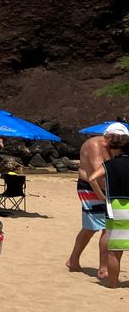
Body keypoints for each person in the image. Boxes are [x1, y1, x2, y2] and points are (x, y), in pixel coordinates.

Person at [69, 122, 129, 280]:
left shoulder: (110, 146)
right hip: (91, 187)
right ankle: (104, 268)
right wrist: (106, 197)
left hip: (101, 188)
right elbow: (98, 175)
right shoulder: (96, 144)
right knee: (104, 227)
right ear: (108, 136)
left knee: (91, 227)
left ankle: (73, 260)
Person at [102, 132, 129, 288]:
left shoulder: (109, 165)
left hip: (117, 207)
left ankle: (113, 284)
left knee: (115, 251)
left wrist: (102, 196)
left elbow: (92, 178)